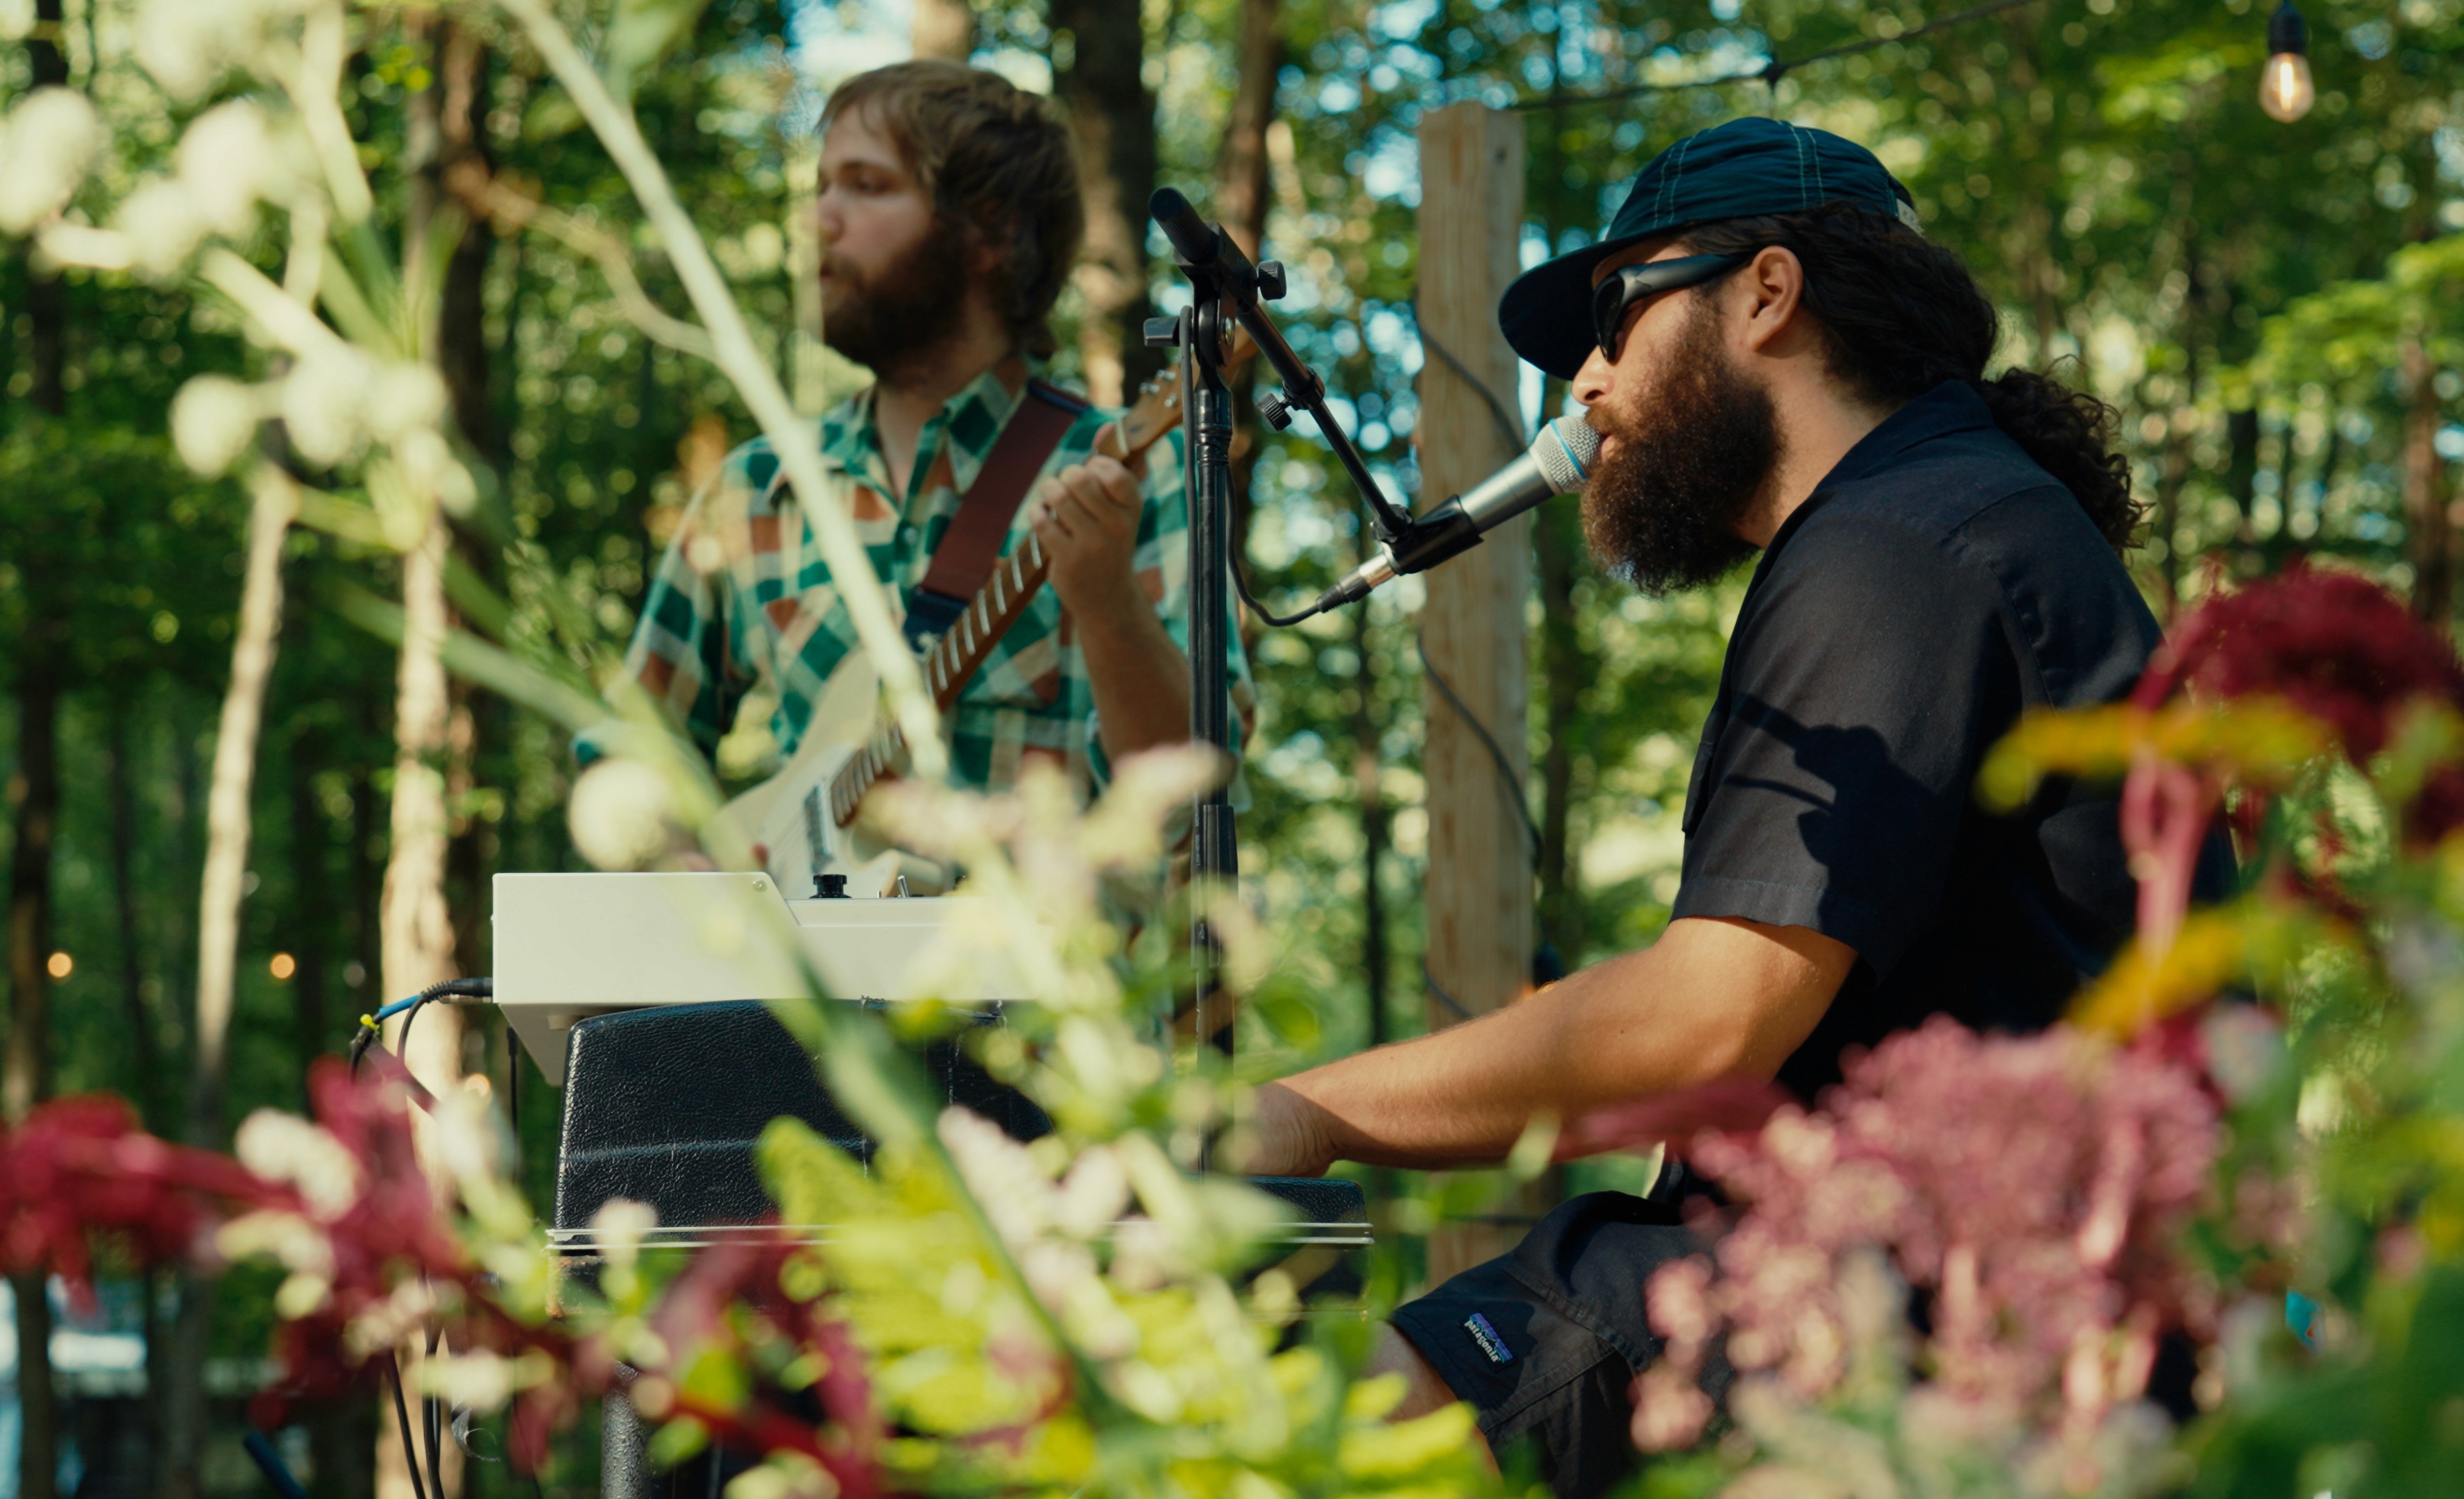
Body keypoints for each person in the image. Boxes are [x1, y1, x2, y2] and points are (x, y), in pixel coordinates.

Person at [1242, 119, 2229, 1495]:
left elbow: (1709, 1019)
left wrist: (1303, 1111)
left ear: (1767, 294)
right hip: (1961, 1304)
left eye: (1613, 316)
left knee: (1291, 1443)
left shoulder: (1893, 547)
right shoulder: (1955, 518)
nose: (1585, 381)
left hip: (1924, 1332)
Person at [622, 60, 1250, 802]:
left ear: (992, 230)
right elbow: (631, 749)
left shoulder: (1134, 470)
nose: (820, 218)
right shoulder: (756, 490)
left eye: (866, 185)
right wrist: (679, 865)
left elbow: (1193, 792)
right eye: (823, 185)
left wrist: (1110, 607)